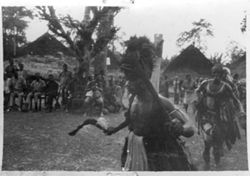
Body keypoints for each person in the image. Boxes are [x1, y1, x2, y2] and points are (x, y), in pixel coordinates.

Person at [104, 48, 195, 171]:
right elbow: (131, 120)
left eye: (131, 81)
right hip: (134, 148)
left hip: (158, 153)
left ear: (142, 81)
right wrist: (115, 129)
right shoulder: (133, 99)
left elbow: (190, 128)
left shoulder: (162, 102)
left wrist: (181, 129)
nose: (127, 84)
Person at [195, 64, 245, 169]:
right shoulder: (205, 83)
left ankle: (217, 160)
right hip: (206, 115)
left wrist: (241, 111)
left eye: (219, 74)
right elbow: (197, 91)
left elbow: (236, 100)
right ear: (212, 74)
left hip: (221, 116)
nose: (216, 76)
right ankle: (208, 158)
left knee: (218, 140)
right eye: (214, 73)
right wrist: (200, 100)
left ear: (222, 75)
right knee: (208, 141)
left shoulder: (226, 86)